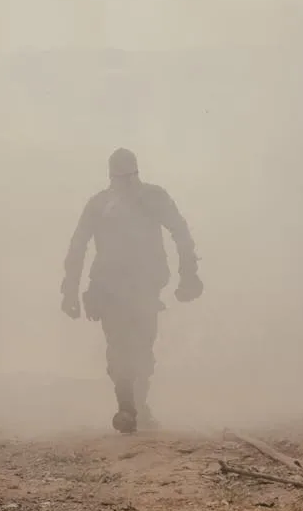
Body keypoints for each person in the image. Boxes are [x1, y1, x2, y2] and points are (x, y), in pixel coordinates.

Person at [60, 148, 203, 433]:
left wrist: (188, 274)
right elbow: (78, 245)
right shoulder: (104, 204)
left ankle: (134, 405)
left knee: (140, 346)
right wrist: (70, 290)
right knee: (122, 346)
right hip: (111, 289)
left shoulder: (148, 198)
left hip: (142, 287)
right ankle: (127, 406)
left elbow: (180, 232)